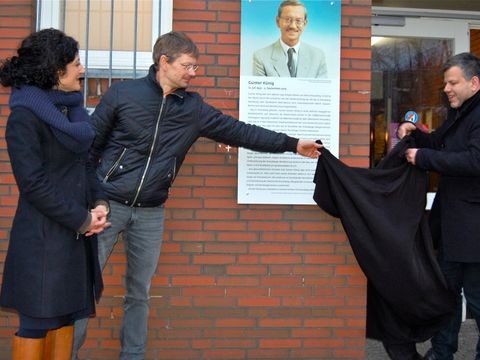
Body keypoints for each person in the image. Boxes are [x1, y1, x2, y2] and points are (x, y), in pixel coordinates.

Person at [72, 30, 322, 359]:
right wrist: (94, 200)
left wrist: (292, 144)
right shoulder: (123, 95)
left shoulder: (193, 108)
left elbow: (240, 131)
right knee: (84, 287)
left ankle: (132, 355)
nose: (194, 72)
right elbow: (89, 149)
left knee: (139, 293)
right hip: (108, 206)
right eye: (188, 66)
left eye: (196, 67)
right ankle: (68, 353)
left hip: (151, 212)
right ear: (164, 62)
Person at [0, 28, 110, 359]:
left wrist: (100, 203)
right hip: (43, 242)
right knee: (36, 323)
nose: (82, 69)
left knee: (65, 320)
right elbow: (32, 184)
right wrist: (81, 219)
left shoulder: (71, 111)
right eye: (76, 63)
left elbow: (85, 166)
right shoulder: (24, 117)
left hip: (74, 239)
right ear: (54, 70)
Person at [397, 52, 480, 360]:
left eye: (452, 82)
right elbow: (438, 144)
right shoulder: (460, 114)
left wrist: (423, 158)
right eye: (445, 82)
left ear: (474, 83)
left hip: (474, 232)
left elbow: (475, 161)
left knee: (477, 300)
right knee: (445, 296)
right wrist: (414, 133)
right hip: (450, 229)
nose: (446, 88)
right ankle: (441, 352)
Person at [252, 0, 327, 78]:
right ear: (278, 21)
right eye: (288, 19)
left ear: (305, 24)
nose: (293, 26)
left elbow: (323, 89)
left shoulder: (318, 57)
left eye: (298, 21)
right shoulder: (261, 57)